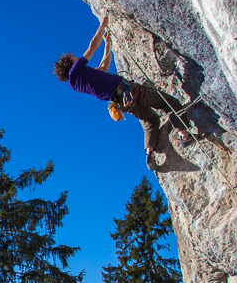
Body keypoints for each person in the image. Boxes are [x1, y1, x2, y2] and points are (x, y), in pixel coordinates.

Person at [53, 14, 189, 170]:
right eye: (73, 57)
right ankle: (185, 135)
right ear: (70, 64)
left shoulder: (77, 83)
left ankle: (150, 153)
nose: (77, 57)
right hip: (128, 91)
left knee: (151, 120)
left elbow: (103, 67)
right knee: (168, 103)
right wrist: (102, 26)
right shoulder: (76, 71)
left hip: (122, 102)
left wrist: (108, 44)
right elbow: (91, 46)